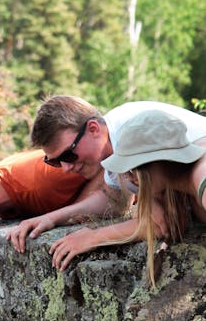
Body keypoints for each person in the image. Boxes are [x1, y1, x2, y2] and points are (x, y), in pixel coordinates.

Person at [29, 95, 206, 270]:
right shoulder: (119, 144)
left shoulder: (138, 129)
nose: (66, 168)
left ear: (93, 129)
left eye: (67, 155)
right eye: (55, 162)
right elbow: (114, 200)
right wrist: (53, 217)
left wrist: (94, 237)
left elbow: (162, 222)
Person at [101, 109, 206, 321]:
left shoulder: (203, 177)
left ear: (159, 161)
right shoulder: (184, 179)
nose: (129, 177)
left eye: (135, 167)